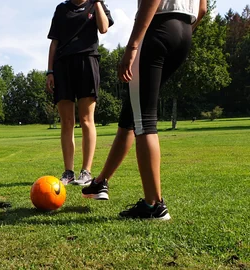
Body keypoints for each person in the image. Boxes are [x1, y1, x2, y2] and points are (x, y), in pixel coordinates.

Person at [82, 0, 208, 220]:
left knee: (144, 121)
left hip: (157, 30)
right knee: (131, 114)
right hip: (184, 32)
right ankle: (101, 182)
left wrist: (132, 46)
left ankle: (154, 205)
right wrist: (181, 32)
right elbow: (203, 8)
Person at [45, 0, 114, 186]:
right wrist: (50, 71)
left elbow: (104, 28)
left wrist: (98, 2)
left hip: (87, 62)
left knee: (86, 119)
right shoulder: (62, 9)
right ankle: (68, 172)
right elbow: (54, 42)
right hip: (62, 66)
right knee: (67, 122)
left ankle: (86, 172)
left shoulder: (95, 4)